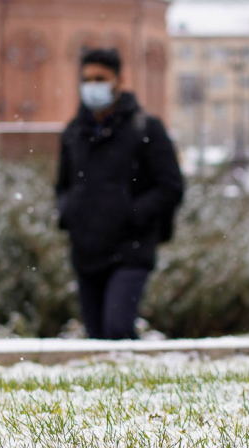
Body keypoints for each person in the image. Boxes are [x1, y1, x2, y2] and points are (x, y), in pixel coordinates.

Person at [55, 48, 184, 340]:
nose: (93, 86)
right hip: (87, 250)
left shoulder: (145, 128)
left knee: (118, 329)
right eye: (87, 79)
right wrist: (68, 214)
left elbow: (171, 187)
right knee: (97, 338)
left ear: (119, 80)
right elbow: (63, 185)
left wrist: (130, 213)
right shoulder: (74, 132)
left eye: (100, 78)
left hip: (130, 249)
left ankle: (138, 382)